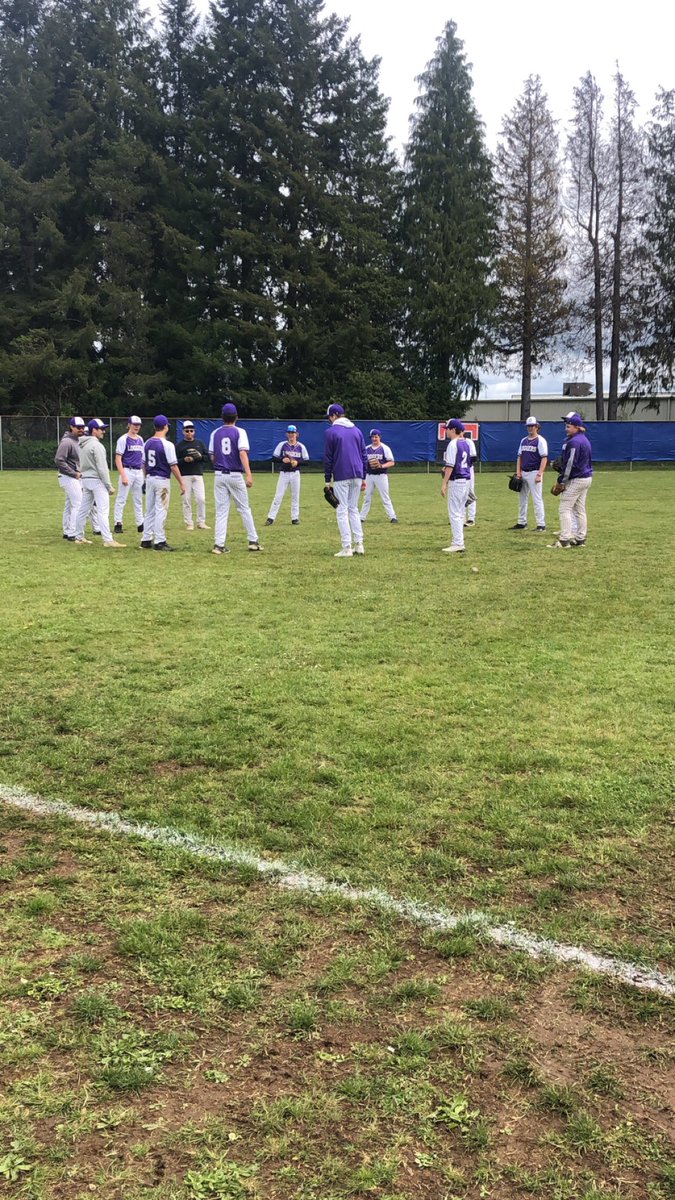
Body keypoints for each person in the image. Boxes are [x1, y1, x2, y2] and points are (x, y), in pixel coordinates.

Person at [209, 402, 261, 553]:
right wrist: (249, 474)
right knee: (244, 508)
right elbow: (242, 453)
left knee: (221, 511)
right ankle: (253, 541)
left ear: (222, 417)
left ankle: (219, 545)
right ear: (236, 417)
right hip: (235, 474)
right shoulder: (240, 432)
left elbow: (212, 455)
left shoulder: (215, 433)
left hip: (219, 475)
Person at [323, 403, 368, 557]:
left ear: (334, 415)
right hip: (357, 473)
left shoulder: (331, 432)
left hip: (342, 473)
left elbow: (328, 458)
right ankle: (359, 544)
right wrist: (364, 476)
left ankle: (347, 547)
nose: (329, 420)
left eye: (330, 416)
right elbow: (364, 455)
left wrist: (327, 480)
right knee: (353, 508)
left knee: (341, 510)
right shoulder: (357, 430)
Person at [74, 420, 125, 548]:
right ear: (93, 430)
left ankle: (79, 537)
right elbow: (102, 468)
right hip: (97, 481)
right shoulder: (97, 446)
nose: (103, 431)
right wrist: (108, 486)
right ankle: (108, 540)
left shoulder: (82, 445)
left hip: (86, 480)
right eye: (101, 429)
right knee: (102, 511)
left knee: (83, 510)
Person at [141, 415, 186, 551]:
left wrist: (145, 478)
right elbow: (173, 466)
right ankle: (160, 540)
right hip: (162, 480)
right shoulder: (167, 444)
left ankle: (146, 539)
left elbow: (143, 464)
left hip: (150, 478)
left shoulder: (147, 442)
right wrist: (181, 482)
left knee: (149, 510)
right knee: (161, 510)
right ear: (165, 426)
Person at [548, 411, 593, 550]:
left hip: (577, 478)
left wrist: (562, 481)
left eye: (569, 426)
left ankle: (564, 540)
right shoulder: (584, 439)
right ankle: (580, 539)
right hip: (586, 477)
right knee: (579, 509)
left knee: (564, 508)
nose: (566, 428)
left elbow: (570, 464)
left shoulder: (574, 442)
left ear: (577, 427)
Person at [265, 425, 309, 525]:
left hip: (295, 474)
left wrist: (297, 463)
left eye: (293, 433)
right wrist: (282, 460)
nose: (291, 435)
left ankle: (295, 518)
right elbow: (273, 458)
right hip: (284, 474)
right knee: (278, 495)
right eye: (289, 433)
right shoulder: (282, 445)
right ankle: (271, 518)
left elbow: (307, 461)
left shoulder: (301, 446)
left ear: (296, 434)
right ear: (286, 434)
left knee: (295, 496)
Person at [511, 416, 548, 532]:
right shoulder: (523, 440)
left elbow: (544, 458)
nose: (530, 428)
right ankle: (522, 522)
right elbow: (519, 457)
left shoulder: (540, 440)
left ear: (537, 426)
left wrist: (540, 474)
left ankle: (541, 524)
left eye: (532, 426)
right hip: (524, 472)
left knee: (537, 499)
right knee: (522, 499)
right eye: (528, 426)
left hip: (535, 472)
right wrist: (518, 473)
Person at [440, 419, 472, 553]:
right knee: (459, 512)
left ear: (453, 430)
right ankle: (457, 541)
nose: (446, 431)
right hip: (465, 480)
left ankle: (458, 543)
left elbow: (450, 465)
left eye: (447, 429)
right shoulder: (466, 443)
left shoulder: (453, 444)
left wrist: (444, 483)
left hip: (457, 480)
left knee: (455, 513)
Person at [55, 417, 85, 541]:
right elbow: (59, 460)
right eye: (78, 427)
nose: (81, 430)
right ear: (71, 427)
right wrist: (74, 473)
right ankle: (73, 532)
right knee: (78, 503)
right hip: (68, 476)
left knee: (69, 504)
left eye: (82, 427)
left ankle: (67, 531)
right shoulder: (67, 442)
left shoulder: (78, 440)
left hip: (72, 476)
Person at [113, 415, 145, 534]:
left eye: (138, 425)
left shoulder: (140, 439)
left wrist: (144, 474)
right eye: (134, 424)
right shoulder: (123, 439)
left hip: (138, 471)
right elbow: (118, 458)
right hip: (127, 470)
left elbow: (142, 458)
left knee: (138, 499)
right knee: (122, 498)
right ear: (129, 425)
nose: (136, 427)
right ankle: (118, 523)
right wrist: (123, 475)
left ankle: (140, 523)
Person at [176, 420, 210, 531]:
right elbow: (175, 462)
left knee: (201, 499)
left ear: (194, 431)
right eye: (187, 431)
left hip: (198, 474)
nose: (189, 433)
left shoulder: (199, 443)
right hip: (185, 475)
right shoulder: (180, 446)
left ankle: (201, 522)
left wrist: (199, 457)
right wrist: (184, 460)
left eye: (191, 431)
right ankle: (189, 522)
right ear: (183, 432)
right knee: (186, 499)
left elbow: (207, 458)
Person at [360, 429, 398, 523]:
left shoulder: (385, 448)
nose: (374, 438)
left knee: (385, 497)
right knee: (367, 497)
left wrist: (381, 465)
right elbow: (362, 462)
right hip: (369, 475)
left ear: (379, 437)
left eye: (376, 436)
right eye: (372, 437)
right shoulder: (366, 448)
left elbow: (392, 462)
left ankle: (393, 517)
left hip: (381, 475)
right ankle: (361, 517)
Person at [464, 429, 478, 527]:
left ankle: (471, 518)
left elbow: (474, 458)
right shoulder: (453, 443)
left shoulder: (468, 442)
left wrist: (463, 465)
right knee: (460, 494)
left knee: (470, 493)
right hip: (458, 471)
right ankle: (461, 517)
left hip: (468, 469)